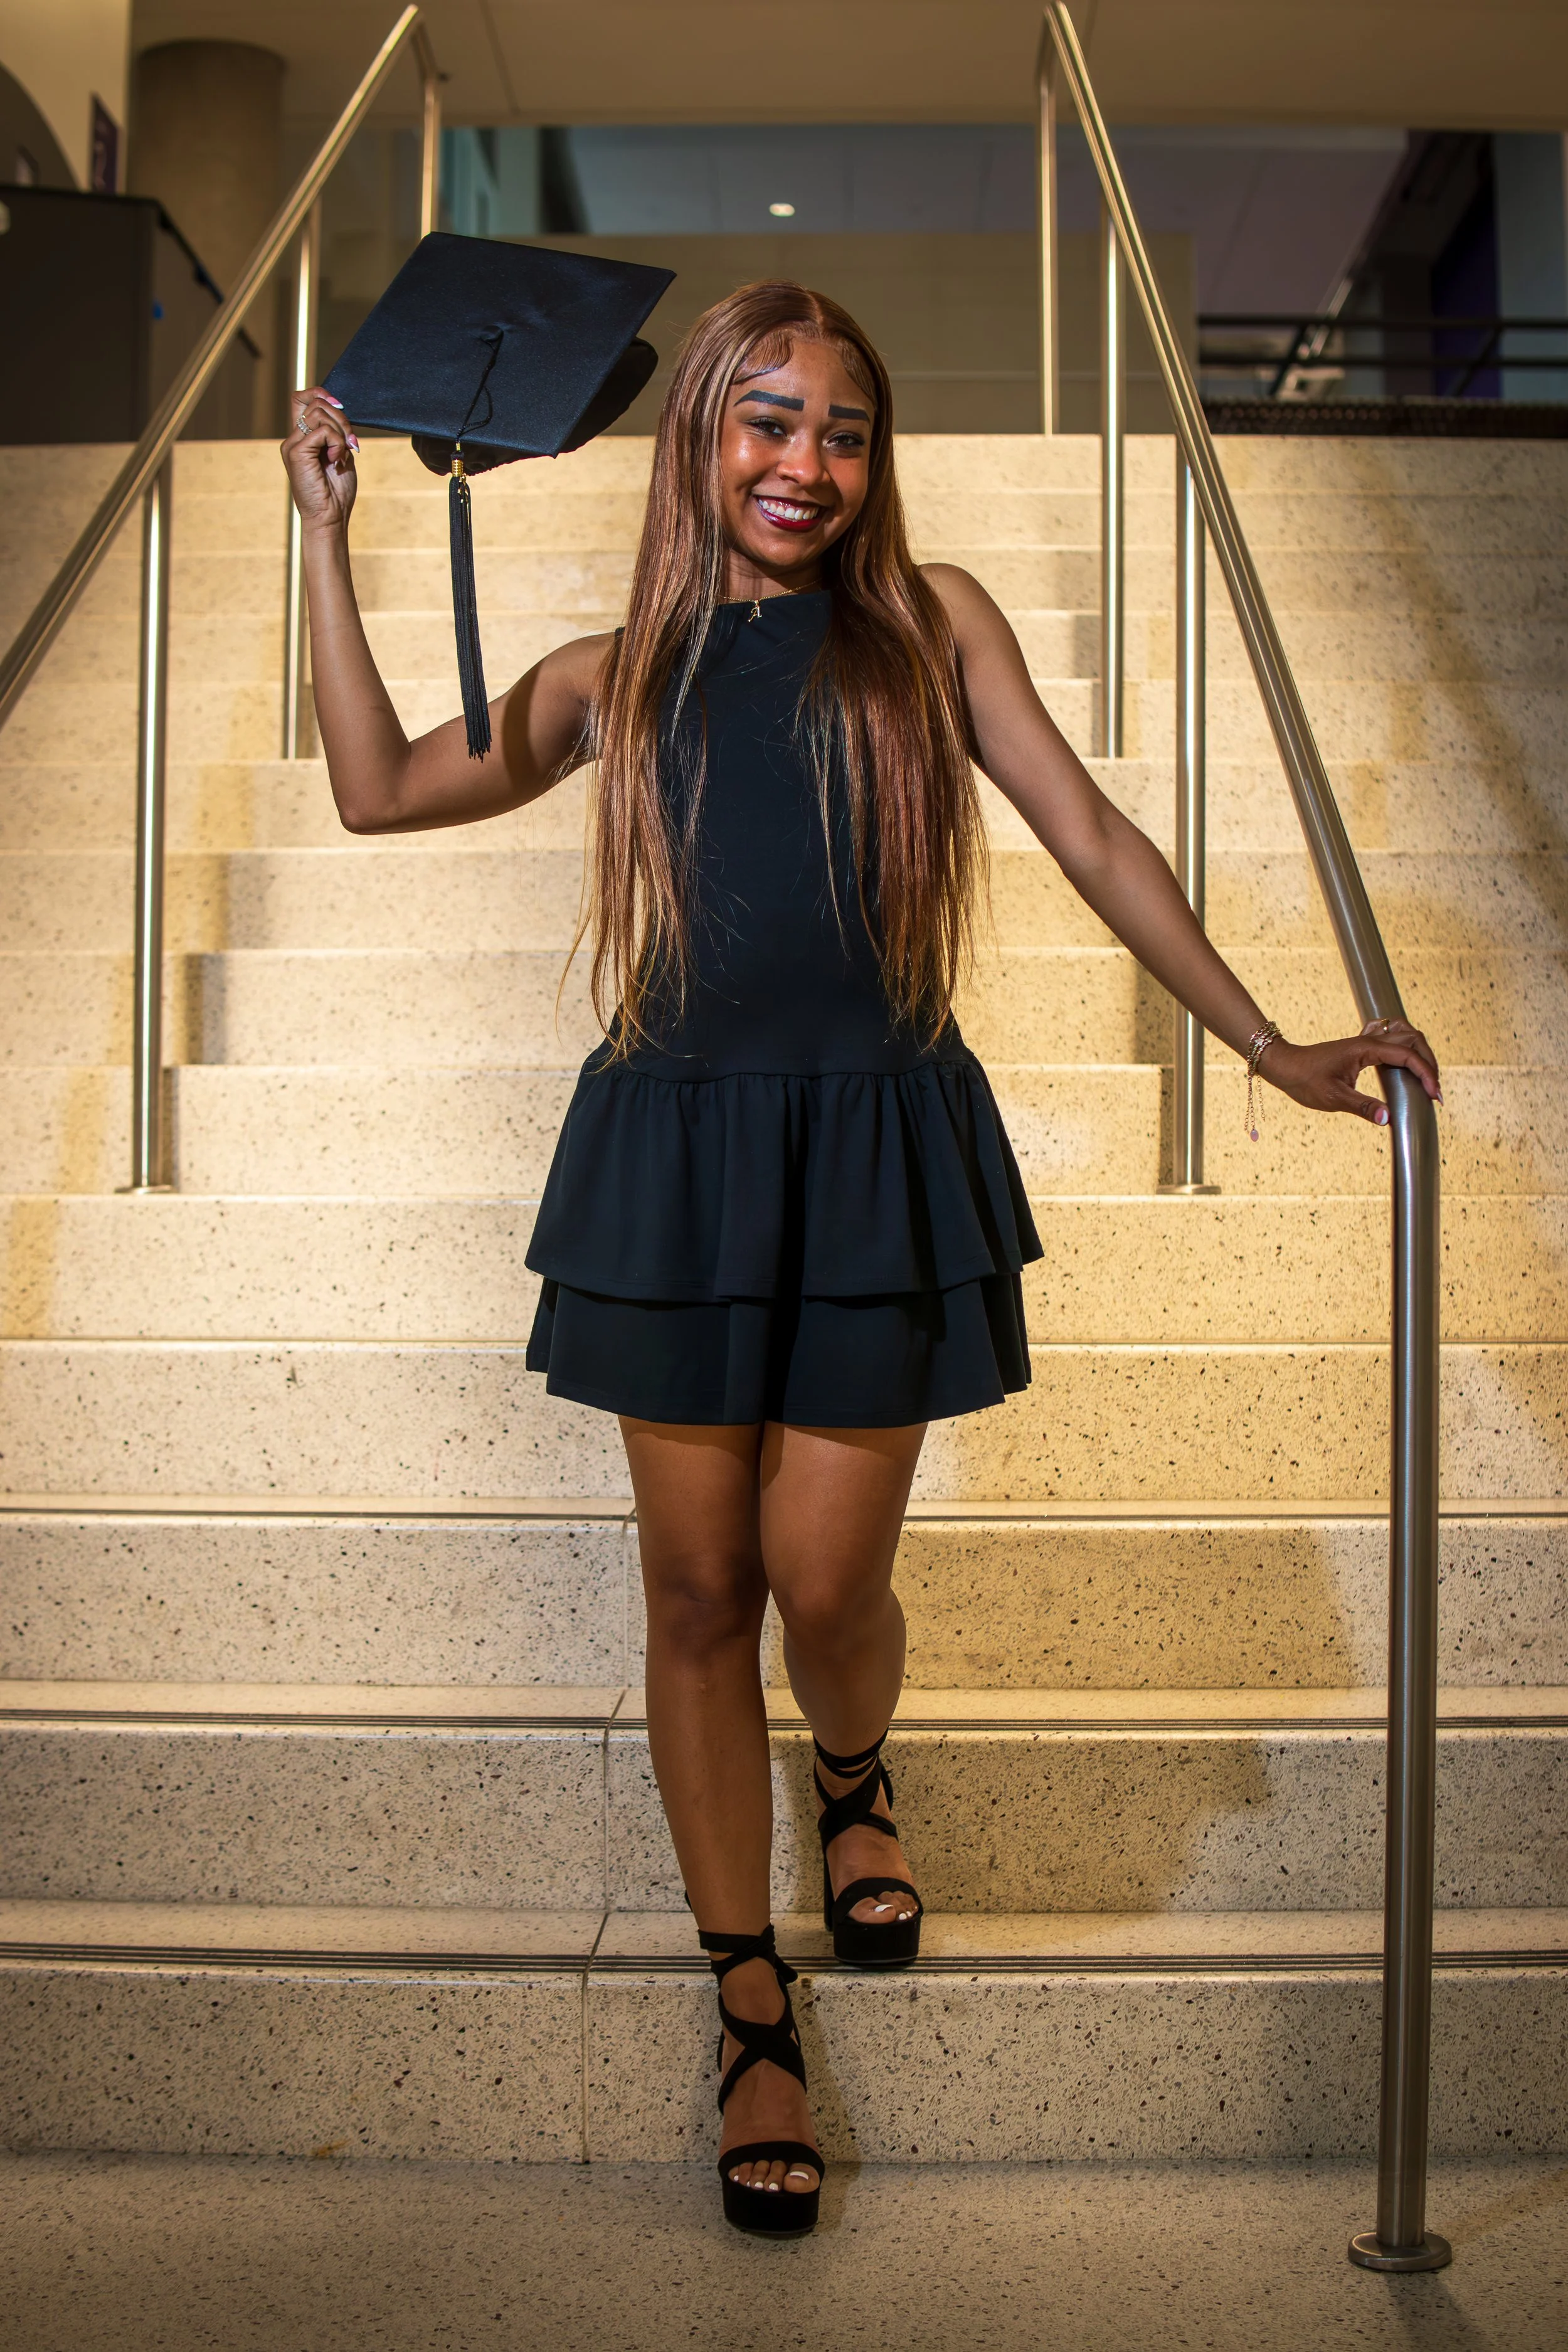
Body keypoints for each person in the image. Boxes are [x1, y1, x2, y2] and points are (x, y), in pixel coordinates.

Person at [283, 278, 1441, 2238]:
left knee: (825, 1584)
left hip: (877, 1144)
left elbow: (1084, 831)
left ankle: (856, 1759)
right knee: (693, 1586)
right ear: (697, 442)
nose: (802, 463)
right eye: (764, 421)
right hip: (670, 1150)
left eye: (839, 428)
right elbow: (378, 785)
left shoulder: (931, 624)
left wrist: (1272, 1046)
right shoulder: (612, 671)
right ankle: (748, 1994)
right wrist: (325, 536)